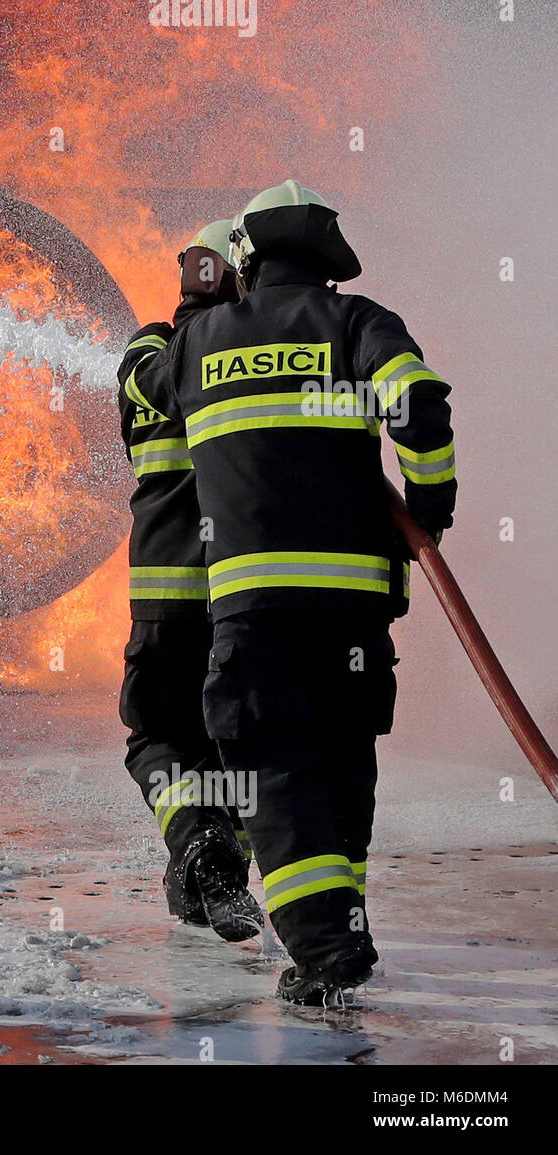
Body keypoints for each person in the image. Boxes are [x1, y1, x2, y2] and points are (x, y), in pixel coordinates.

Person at [122, 180, 456, 1005]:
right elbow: (417, 403)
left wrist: (184, 312)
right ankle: (342, 924)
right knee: (344, 765)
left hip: (255, 610)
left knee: (272, 773)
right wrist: (428, 508)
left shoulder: (201, 347)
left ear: (248, 258)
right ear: (328, 262)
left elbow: (148, 389)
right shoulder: (357, 322)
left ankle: (325, 948)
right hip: (356, 613)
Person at [117, 220, 262, 943]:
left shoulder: (144, 354)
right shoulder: (239, 356)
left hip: (160, 599)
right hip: (240, 592)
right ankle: (216, 856)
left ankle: (199, 858)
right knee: (231, 737)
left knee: (157, 737)